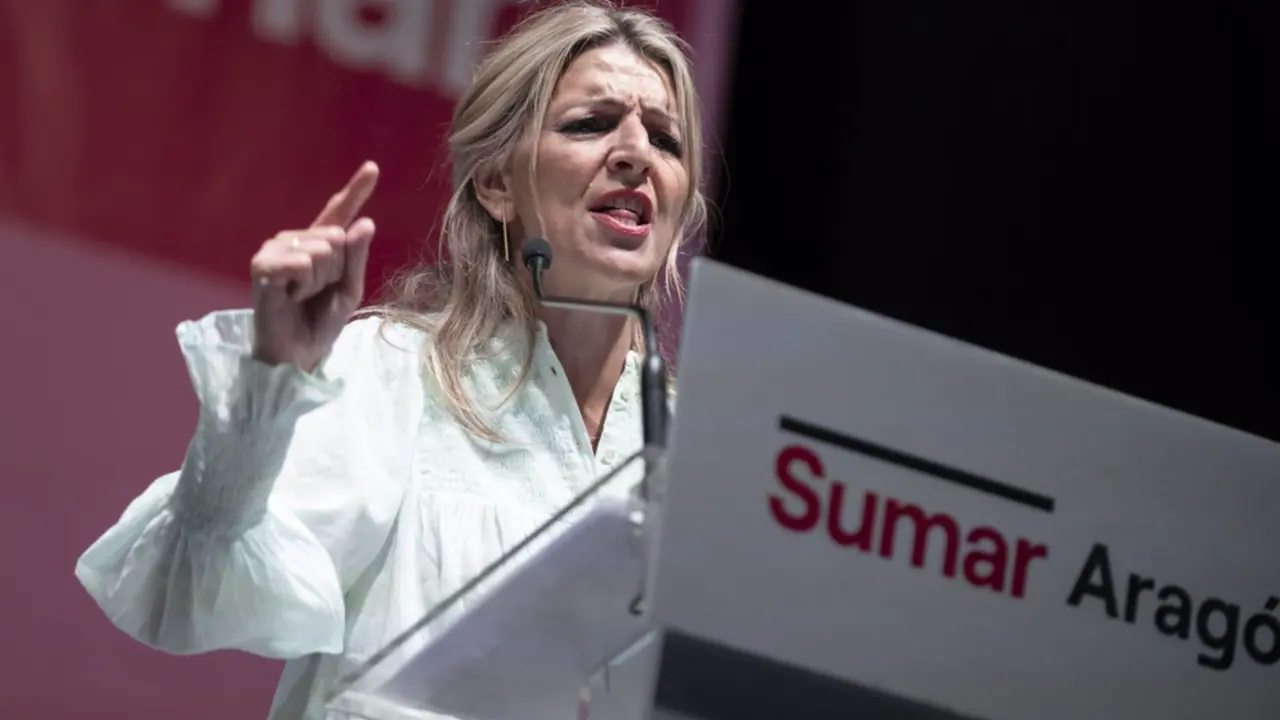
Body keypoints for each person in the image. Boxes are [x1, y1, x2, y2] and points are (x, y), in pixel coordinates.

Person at [74, 1, 708, 718]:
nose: (636, 154)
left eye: (666, 138)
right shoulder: (393, 373)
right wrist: (270, 385)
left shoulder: (703, 454)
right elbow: (191, 590)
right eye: (589, 124)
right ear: (498, 186)